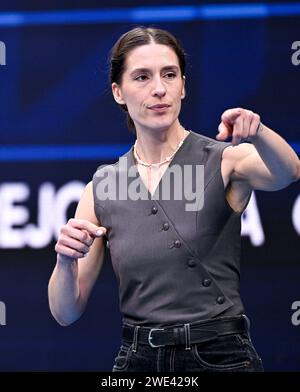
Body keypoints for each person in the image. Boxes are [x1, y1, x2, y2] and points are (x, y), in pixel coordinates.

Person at [48, 27, 300, 372]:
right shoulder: (102, 186)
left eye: (170, 74)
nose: (159, 89)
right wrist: (65, 261)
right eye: (142, 77)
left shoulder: (224, 159)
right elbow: (66, 312)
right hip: (137, 360)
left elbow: (288, 171)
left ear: (183, 85)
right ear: (118, 92)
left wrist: (257, 131)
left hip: (219, 356)